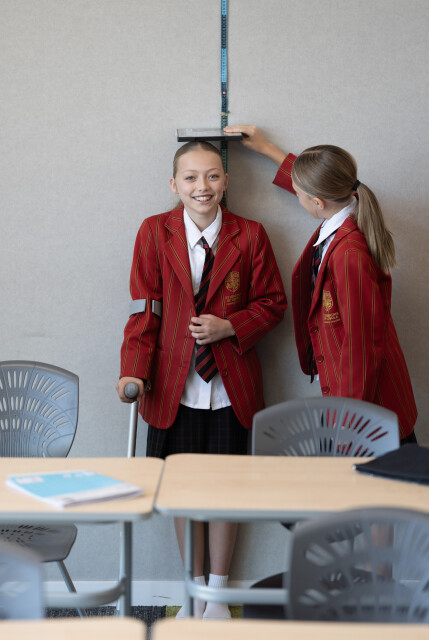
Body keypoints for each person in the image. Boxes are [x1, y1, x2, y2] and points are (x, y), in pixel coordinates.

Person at [116, 140, 287, 619]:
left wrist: (230, 326)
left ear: (226, 181)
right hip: (174, 386)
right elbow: (144, 309)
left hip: (231, 387)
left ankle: (217, 593)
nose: (202, 187)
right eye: (190, 177)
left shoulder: (250, 235)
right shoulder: (154, 232)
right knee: (182, 491)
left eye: (212, 176)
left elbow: (273, 303)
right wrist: (133, 369)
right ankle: (192, 589)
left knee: (226, 490)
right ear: (174, 184)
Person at [224, 125, 417, 442]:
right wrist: (266, 147)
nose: (295, 194)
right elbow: (313, 186)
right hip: (357, 394)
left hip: (368, 406)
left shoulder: (349, 255)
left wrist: (348, 421)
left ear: (318, 202)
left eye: (298, 193)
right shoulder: (342, 209)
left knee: (386, 472)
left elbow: (362, 345)